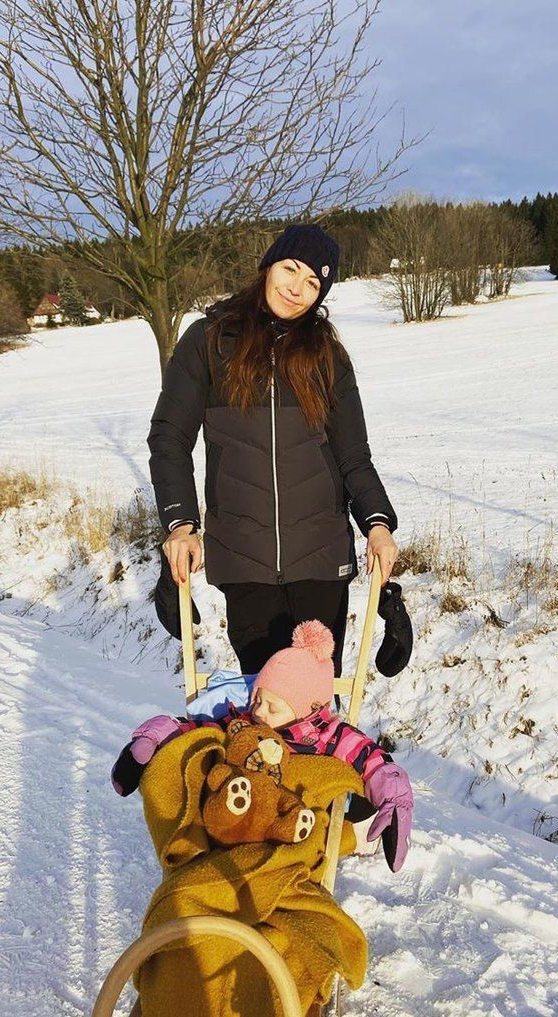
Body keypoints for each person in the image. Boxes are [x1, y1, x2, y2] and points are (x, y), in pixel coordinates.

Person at [147, 222, 399, 676]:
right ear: (268, 266)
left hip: (321, 560)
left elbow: (353, 456)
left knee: (315, 709)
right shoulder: (208, 342)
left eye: (313, 283)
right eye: (291, 269)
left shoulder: (327, 357)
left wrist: (377, 524)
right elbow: (170, 437)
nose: (297, 288)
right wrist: (181, 523)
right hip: (243, 559)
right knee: (264, 705)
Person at [112, 621, 413, 871]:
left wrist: (393, 789)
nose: (259, 711)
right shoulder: (248, 725)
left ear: (307, 709)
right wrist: (160, 735)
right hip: (239, 827)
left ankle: (347, 837)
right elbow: (202, 732)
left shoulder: (331, 736)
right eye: (257, 699)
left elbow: (369, 757)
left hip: (292, 826)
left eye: (272, 706)